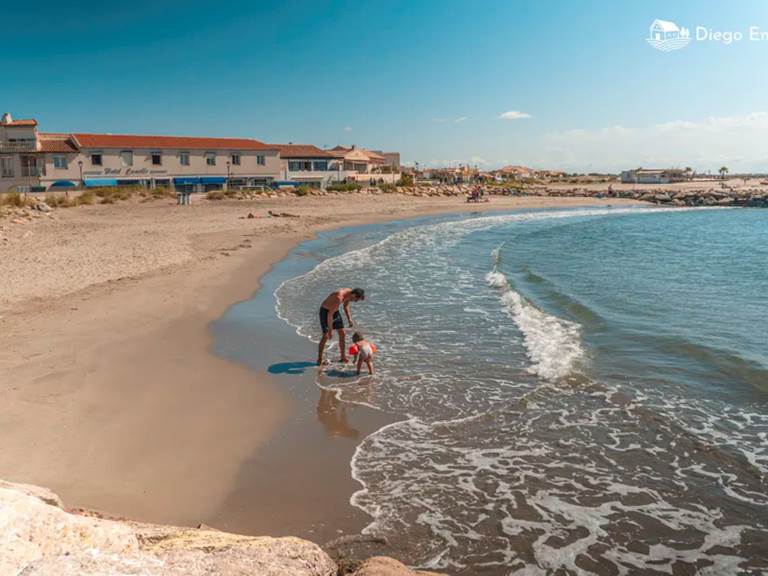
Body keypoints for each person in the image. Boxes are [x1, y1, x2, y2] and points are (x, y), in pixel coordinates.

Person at [317, 287, 365, 366]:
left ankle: (343, 357)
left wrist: (349, 319)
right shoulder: (339, 297)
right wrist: (330, 330)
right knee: (325, 336)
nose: (355, 301)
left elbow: (346, 306)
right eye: (356, 300)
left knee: (342, 333)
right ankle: (319, 359)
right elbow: (329, 314)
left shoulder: (349, 294)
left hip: (334, 311)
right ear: (354, 295)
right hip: (325, 311)